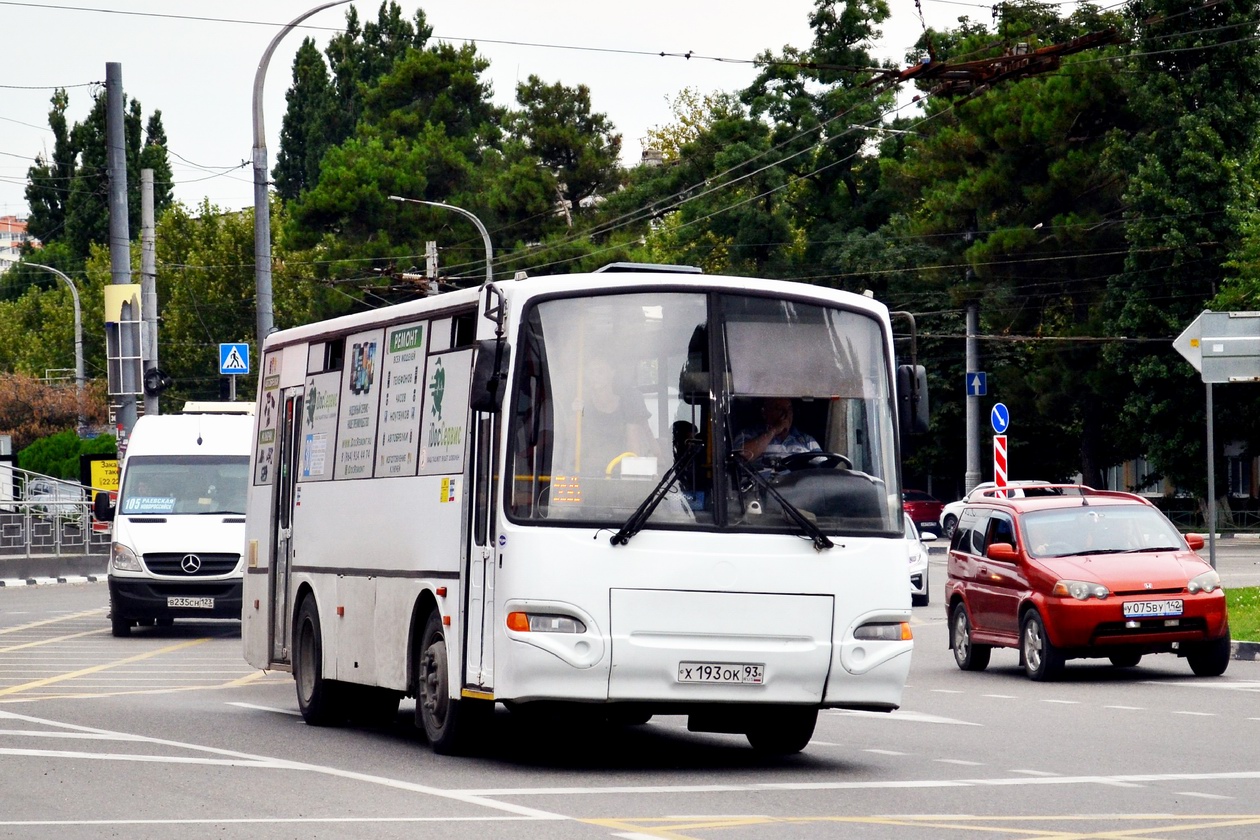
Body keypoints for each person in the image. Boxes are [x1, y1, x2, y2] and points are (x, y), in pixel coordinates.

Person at [576, 355, 658, 475]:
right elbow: (571, 438)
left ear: (612, 373)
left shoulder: (627, 403)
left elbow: (643, 435)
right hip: (588, 472)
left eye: (600, 371)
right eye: (591, 372)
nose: (595, 376)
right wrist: (576, 412)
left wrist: (658, 463)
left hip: (622, 472)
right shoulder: (581, 404)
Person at [734, 397, 821, 464]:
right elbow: (742, 457)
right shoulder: (748, 434)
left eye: (789, 409)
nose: (786, 414)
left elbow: (824, 467)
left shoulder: (806, 439)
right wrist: (774, 431)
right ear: (764, 412)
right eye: (779, 409)